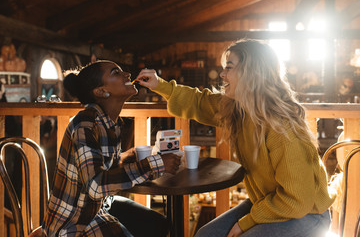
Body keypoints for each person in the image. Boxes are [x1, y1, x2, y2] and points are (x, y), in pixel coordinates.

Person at [135, 39, 335, 237]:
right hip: (267, 203)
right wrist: (159, 85)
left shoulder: (281, 127)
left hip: (306, 214)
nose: (222, 74)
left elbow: (297, 200)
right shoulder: (239, 109)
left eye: (228, 67)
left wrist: (245, 223)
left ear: (251, 73)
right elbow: (200, 102)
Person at [42, 60, 181, 237]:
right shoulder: (85, 126)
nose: (127, 75)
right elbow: (95, 185)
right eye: (116, 72)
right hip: (74, 222)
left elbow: (100, 166)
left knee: (159, 224)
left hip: (99, 206)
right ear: (101, 91)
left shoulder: (109, 123)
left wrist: (126, 157)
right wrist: (154, 164)